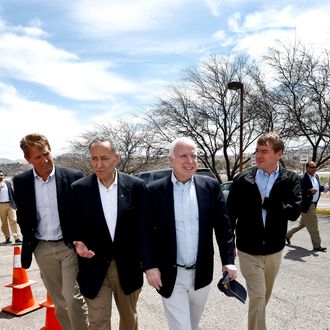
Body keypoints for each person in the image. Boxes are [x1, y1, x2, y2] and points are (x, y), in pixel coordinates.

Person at [140, 137, 237, 330]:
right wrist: (149, 267)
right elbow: (144, 232)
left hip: (201, 273)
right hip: (169, 275)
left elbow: (224, 227)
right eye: (183, 156)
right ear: (170, 160)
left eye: (193, 156)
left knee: (193, 324)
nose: (190, 161)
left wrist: (228, 260)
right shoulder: (153, 191)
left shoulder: (210, 187)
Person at [227, 132, 302, 330]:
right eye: (257, 151)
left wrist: (265, 202)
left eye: (264, 151)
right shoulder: (243, 180)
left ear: (278, 154)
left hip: (274, 251)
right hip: (247, 250)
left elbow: (294, 212)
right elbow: (229, 215)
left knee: (262, 298)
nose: (258, 156)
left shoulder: (290, 179)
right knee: (258, 295)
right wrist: (229, 247)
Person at [13, 133, 88, 330]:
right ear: (28, 159)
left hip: (68, 246)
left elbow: (83, 213)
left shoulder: (73, 177)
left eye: (46, 153)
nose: (45, 160)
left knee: (72, 297)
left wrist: (81, 240)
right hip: (42, 248)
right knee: (59, 302)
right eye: (37, 157)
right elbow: (22, 215)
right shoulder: (20, 182)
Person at [71, 137, 145, 330]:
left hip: (128, 266)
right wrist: (78, 243)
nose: (98, 164)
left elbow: (145, 228)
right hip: (93, 265)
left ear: (117, 158)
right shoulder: (79, 189)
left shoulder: (136, 187)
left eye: (104, 158)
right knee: (98, 322)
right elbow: (73, 225)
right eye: (94, 159)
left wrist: (148, 262)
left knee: (129, 320)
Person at [286, 161, 326, 251]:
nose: (314, 169)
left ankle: (287, 235)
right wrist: (309, 191)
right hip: (307, 205)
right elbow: (297, 191)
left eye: (315, 167)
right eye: (312, 167)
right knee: (313, 226)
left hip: (314, 204)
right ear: (307, 168)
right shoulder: (301, 178)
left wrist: (323, 188)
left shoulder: (316, 176)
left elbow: (318, 187)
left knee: (302, 224)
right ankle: (317, 246)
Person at [0, 170, 22, 244]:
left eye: (1, 175)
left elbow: (12, 194)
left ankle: (17, 238)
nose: (0, 177)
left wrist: (15, 204)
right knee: (4, 223)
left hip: (10, 205)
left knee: (14, 220)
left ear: (3, 176)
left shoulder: (8, 183)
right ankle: (7, 239)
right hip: (1, 206)